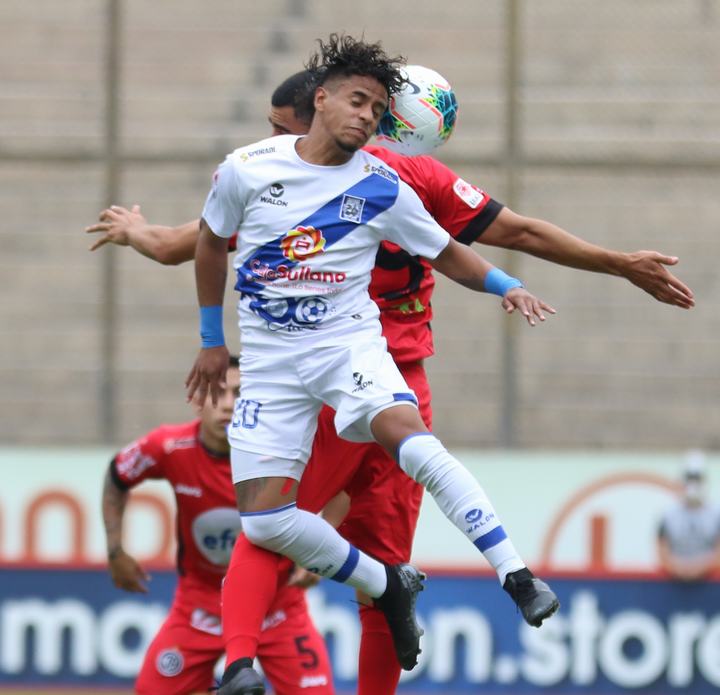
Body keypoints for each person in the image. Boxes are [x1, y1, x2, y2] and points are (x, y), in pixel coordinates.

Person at [87, 65, 695, 695]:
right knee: (338, 541)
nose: (272, 136)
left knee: (269, 527)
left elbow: (182, 245)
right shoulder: (404, 177)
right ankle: (257, 660)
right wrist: (615, 263)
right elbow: (517, 232)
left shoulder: (315, 181)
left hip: (339, 380)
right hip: (385, 377)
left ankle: (243, 661)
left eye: (280, 125)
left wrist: (138, 234)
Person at [183, 33, 568, 692]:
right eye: (358, 101)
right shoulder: (246, 168)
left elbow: (446, 250)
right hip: (273, 367)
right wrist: (211, 338)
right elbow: (210, 243)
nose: (367, 116)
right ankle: (384, 583)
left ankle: (517, 574)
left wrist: (507, 285)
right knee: (265, 522)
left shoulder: (382, 184)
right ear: (322, 99)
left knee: (412, 441)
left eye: (379, 109)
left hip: (348, 349)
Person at [101, 356, 334, 695]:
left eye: (239, 393)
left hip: (277, 607)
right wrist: (115, 551)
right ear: (198, 400)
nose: (227, 404)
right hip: (200, 606)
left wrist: (317, 552)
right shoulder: (168, 447)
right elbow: (117, 475)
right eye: (216, 393)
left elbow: (342, 487)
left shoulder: (284, 450)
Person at [657, 451, 720, 582]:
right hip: (674, 584)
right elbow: (661, 551)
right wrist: (679, 568)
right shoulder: (668, 515)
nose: (693, 484)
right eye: (690, 478)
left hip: (710, 585)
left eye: (697, 478)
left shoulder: (716, 514)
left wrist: (698, 568)